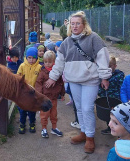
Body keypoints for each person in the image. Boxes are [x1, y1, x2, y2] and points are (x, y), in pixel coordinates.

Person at [45, 11, 111, 154]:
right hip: (74, 80)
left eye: (78, 23)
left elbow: (103, 58)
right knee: (79, 108)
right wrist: (52, 77)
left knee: (87, 108)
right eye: (72, 23)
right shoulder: (66, 42)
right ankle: (83, 132)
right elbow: (59, 63)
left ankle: (90, 137)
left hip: (90, 80)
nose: (75, 26)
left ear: (84, 25)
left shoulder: (94, 38)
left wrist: (104, 77)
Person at [35, 51, 65, 138]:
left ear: (54, 62)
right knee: (44, 114)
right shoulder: (42, 73)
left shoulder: (57, 73)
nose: (47, 64)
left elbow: (61, 83)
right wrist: (39, 96)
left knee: (54, 114)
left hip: (54, 97)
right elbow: (38, 84)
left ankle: (54, 128)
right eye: (45, 62)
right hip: (45, 98)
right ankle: (44, 129)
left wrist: (62, 93)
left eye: (49, 62)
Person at [17, 47, 42, 134]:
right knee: (22, 110)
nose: (31, 60)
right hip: (23, 94)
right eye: (29, 58)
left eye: (33, 58)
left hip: (33, 93)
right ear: (26, 57)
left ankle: (32, 123)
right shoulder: (22, 66)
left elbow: (40, 80)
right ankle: (22, 124)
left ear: (37, 58)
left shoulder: (39, 67)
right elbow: (18, 77)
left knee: (32, 110)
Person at [98, 56, 125, 135]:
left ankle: (120, 132)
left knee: (116, 116)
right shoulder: (102, 75)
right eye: (106, 66)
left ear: (115, 66)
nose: (108, 68)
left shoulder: (119, 75)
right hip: (105, 98)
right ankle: (109, 128)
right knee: (107, 115)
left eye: (110, 66)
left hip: (115, 99)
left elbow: (121, 87)